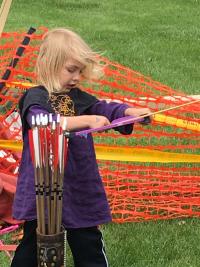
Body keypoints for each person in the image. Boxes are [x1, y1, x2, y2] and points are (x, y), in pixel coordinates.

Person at [11, 28, 151, 267]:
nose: (76, 77)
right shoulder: (35, 98)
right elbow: (43, 123)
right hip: (42, 188)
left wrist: (129, 113)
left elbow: (105, 109)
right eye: (70, 69)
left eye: (80, 71)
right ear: (50, 65)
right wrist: (85, 121)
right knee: (31, 248)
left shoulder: (78, 97)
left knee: (88, 245)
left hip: (78, 184)